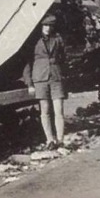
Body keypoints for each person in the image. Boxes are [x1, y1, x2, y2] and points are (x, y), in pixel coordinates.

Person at [24, 14, 67, 150]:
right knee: (45, 111)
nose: (48, 28)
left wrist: (62, 74)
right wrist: (29, 84)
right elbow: (27, 63)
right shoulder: (33, 41)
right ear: (41, 26)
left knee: (59, 110)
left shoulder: (58, 39)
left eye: (50, 25)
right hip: (40, 79)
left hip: (56, 77)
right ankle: (50, 140)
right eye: (45, 25)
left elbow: (64, 58)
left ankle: (60, 139)